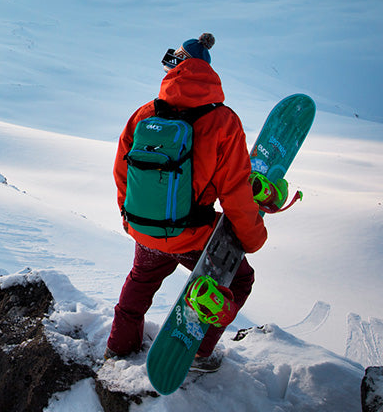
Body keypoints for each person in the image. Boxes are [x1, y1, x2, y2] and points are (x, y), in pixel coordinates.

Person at [105, 33, 266, 372]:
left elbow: (122, 171)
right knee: (238, 281)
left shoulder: (145, 113)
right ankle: (198, 351)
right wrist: (252, 238)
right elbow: (235, 190)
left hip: (145, 228)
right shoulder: (224, 121)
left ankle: (119, 346)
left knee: (141, 279)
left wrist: (129, 217)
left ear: (175, 69)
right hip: (193, 235)